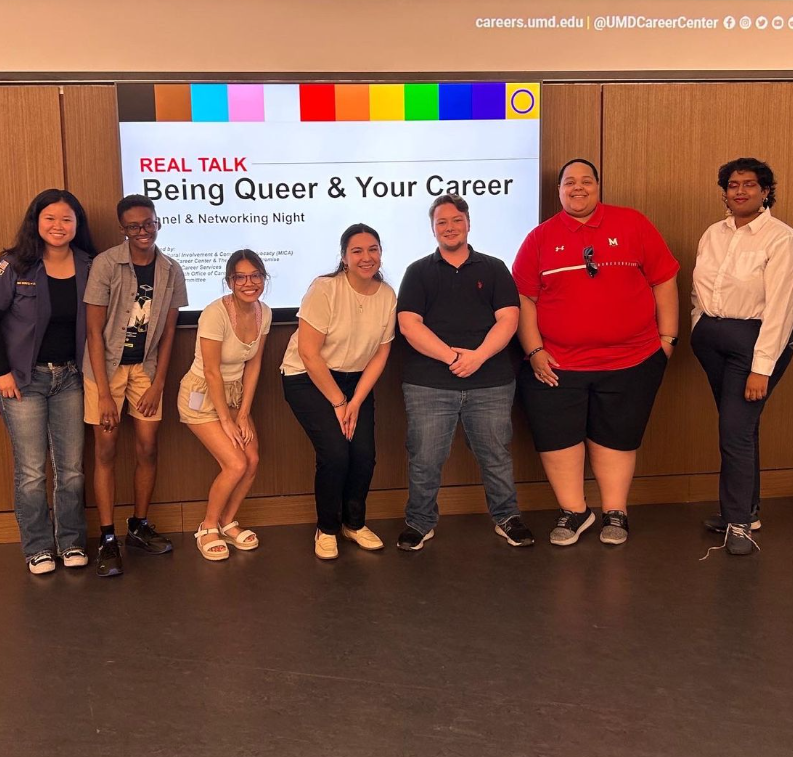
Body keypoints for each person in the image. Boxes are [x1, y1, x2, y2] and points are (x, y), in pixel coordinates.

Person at [512, 158, 679, 547]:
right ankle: (574, 512)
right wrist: (534, 349)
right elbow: (524, 297)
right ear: (559, 191)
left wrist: (667, 340)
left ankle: (615, 512)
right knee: (558, 439)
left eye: (586, 181)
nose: (578, 188)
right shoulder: (539, 238)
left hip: (633, 360)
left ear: (598, 186)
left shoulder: (633, 223)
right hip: (556, 364)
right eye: (569, 182)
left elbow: (664, 279)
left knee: (617, 438)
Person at [396, 194, 532, 550]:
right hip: (429, 382)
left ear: (468, 224)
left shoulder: (494, 267)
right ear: (432, 229)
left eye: (456, 220)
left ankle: (507, 517)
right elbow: (409, 324)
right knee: (425, 456)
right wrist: (451, 357)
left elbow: (509, 319)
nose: (449, 227)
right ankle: (419, 522)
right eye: (441, 222)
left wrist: (478, 357)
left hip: (490, 379)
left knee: (496, 453)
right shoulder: (418, 271)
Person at [691, 158, 793, 556]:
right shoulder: (713, 234)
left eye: (750, 185)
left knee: (734, 431)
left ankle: (738, 524)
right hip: (711, 338)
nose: (740, 191)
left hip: (754, 343)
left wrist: (762, 368)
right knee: (740, 427)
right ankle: (746, 509)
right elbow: (699, 289)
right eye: (733, 185)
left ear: (766, 190)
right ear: (724, 191)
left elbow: (781, 310)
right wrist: (697, 326)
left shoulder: (783, 239)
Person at [0, 189, 95, 574]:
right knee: (32, 470)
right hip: (22, 380)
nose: (58, 226)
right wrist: (0, 372)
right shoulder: (14, 264)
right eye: (50, 218)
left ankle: (71, 542)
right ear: (36, 221)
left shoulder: (89, 264)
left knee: (72, 469)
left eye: (67, 219)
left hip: (71, 378)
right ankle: (37, 547)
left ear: (76, 225)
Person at [84, 195, 187, 577]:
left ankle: (138, 526)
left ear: (158, 222)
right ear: (122, 229)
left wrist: (159, 382)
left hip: (146, 368)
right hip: (105, 369)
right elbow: (94, 332)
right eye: (133, 227)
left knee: (147, 447)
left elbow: (170, 330)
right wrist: (105, 394)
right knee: (106, 450)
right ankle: (108, 538)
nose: (142, 232)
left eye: (148, 224)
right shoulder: (106, 265)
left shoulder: (171, 270)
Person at [282, 223, 396, 559]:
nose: (366, 257)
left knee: (363, 455)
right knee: (335, 453)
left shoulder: (387, 294)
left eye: (372, 249)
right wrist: (338, 402)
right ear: (344, 257)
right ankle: (327, 528)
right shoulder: (325, 288)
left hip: (355, 381)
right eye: (357, 251)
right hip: (307, 377)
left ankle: (354, 524)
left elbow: (381, 352)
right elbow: (308, 353)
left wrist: (355, 401)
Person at [178, 249, 271, 561]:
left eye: (255, 275)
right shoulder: (215, 313)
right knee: (236, 463)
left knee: (252, 459)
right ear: (230, 281)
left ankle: (227, 521)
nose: (249, 282)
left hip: (233, 395)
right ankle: (206, 527)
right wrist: (227, 420)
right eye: (240, 277)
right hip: (201, 395)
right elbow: (211, 370)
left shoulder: (265, 312)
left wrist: (242, 414)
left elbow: (254, 366)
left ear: (263, 278)